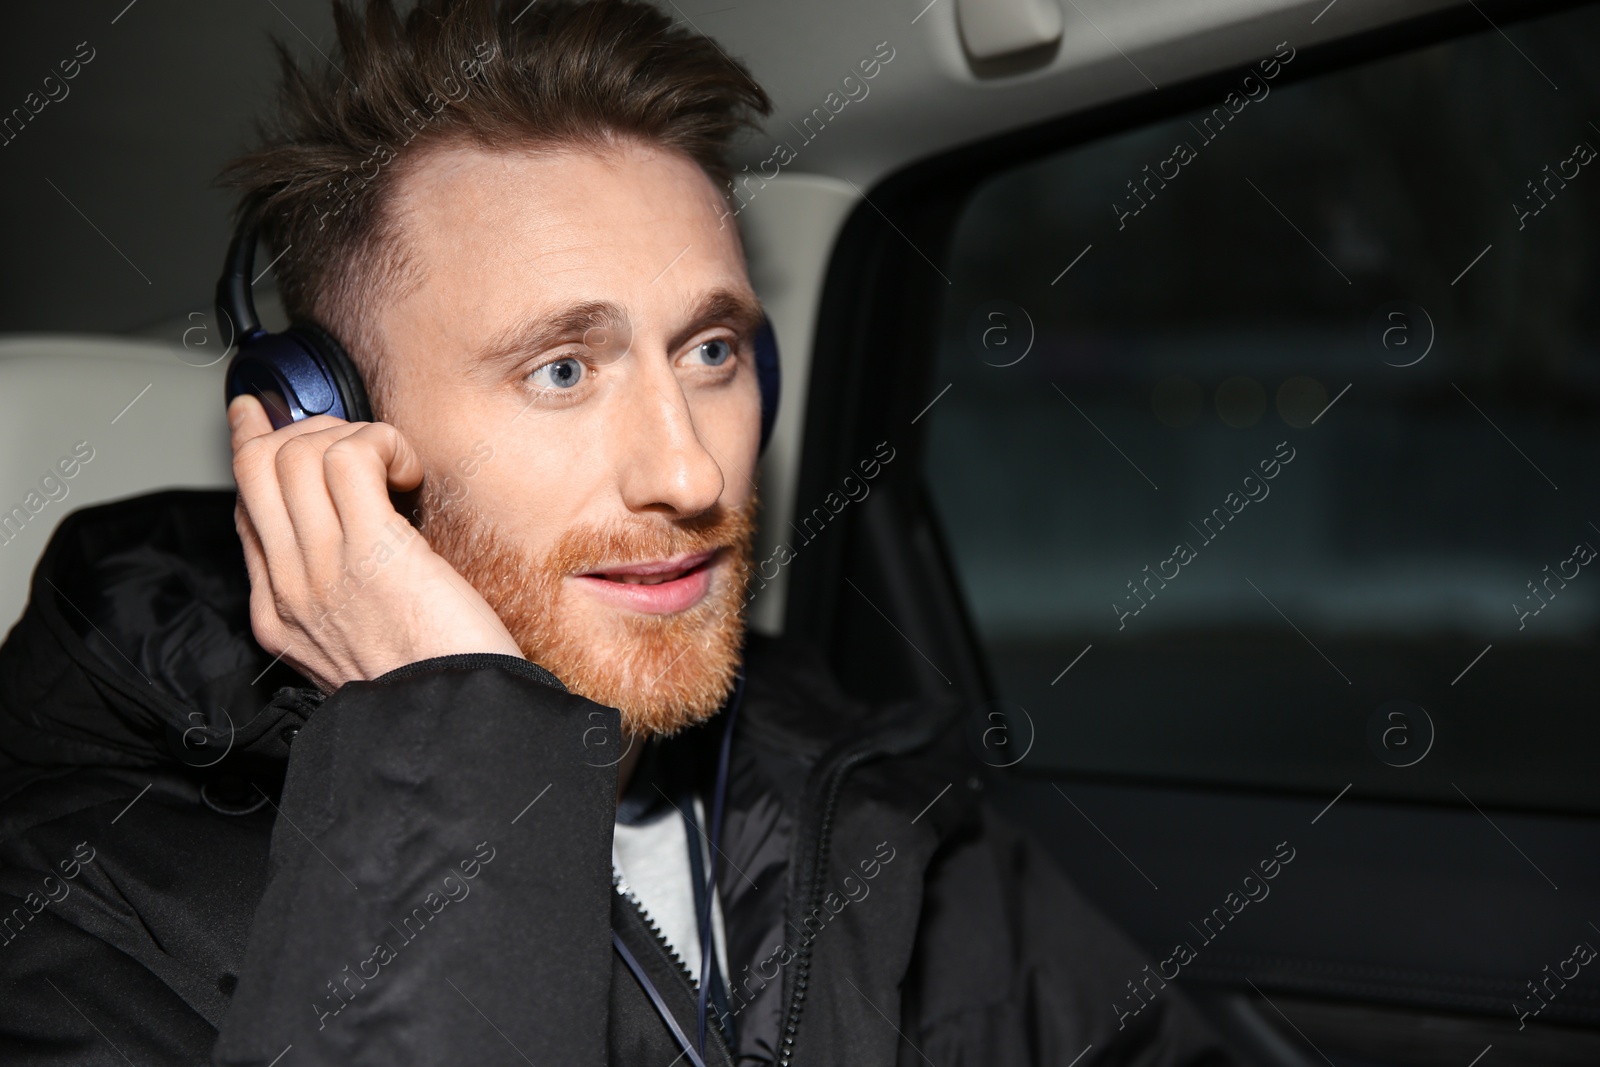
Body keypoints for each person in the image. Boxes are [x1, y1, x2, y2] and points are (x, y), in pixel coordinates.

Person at [0, 1, 1238, 1063]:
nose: (691, 469)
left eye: (709, 350)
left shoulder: (850, 782)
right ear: (327, 427)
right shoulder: (75, 899)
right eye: (560, 370)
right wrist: (449, 727)